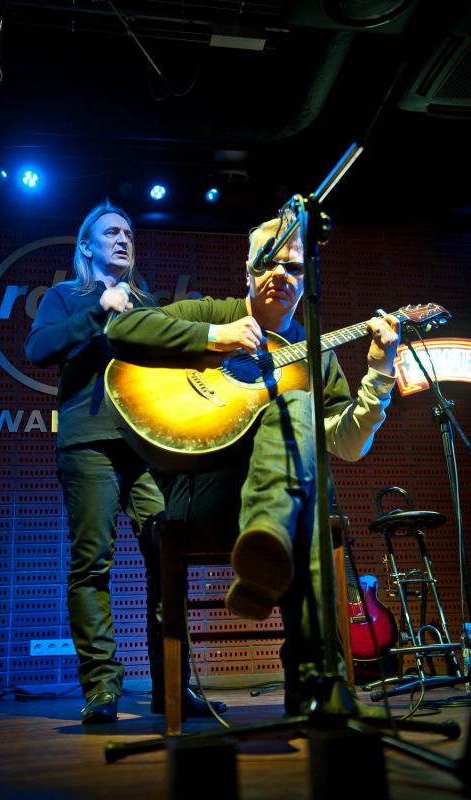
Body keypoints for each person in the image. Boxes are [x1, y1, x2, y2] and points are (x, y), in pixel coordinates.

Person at [105, 209, 400, 715]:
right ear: (248, 269)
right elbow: (124, 329)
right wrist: (214, 340)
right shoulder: (209, 314)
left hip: (280, 514)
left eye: (295, 267)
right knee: (304, 496)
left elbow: (346, 444)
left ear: (308, 281)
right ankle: (314, 684)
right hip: (206, 493)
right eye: (269, 262)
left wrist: (379, 372)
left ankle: (268, 537)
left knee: (297, 407)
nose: (281, 275)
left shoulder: (316, 356)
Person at [24, 200, 227, 723]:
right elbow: (38, 349)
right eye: (111, 232)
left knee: (167, 558)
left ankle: (172, 689)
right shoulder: (64, 296)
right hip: (87, 444)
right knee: (92, 564)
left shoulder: (146, 304)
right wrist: (99, 308)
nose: (123, 239)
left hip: (145, 449)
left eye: (129, 233)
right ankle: (102, 690)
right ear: (86, 245)